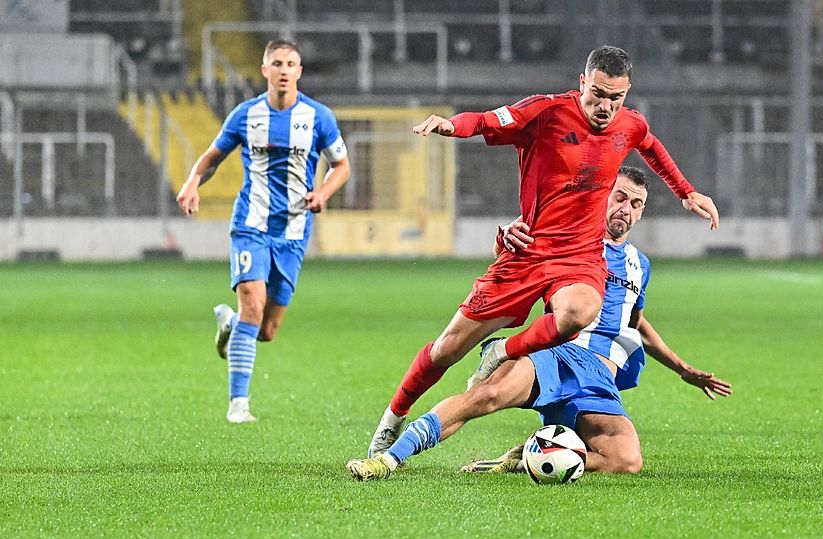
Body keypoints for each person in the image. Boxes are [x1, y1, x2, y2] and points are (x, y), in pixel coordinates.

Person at [366, 45, 721, 456]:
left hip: (579, 257)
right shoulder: (545, 112)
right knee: (446, 348)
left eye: (615, 98)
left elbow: (652, 146)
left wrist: (686, 192)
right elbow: (485, 120)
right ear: (583, 82)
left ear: (627, 94)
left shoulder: (630, 125)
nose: (605, 106)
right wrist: (452, 126)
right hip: (528, 251)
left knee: (580, 311)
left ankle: (504, 350)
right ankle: (393, 418)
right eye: (598, 94)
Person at [347, 166, 731, 480]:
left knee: (626, 460)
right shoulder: (569, 237)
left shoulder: (639, 264)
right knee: (486, 397)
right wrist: (505, 239)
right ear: (603, 196)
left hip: (598, 378)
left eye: (636, 204)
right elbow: (517, 256)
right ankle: (389, 459)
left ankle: (532, 455)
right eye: (619, 197)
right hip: (556, 353)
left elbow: (636, 323)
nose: (626, 209)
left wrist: (683, 369)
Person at [175, 39, 351, 423]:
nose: (284, 69)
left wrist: (323, 192)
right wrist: (192, 183)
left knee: (266, 329)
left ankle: (231, 326)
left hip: (293, 231)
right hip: (250, 226)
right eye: (277, 63)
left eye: (291, 63)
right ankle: (239, 405)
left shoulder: (318, 117)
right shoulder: (245, 115)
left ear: (299, 71)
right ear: (265, 70)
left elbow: (341, 165)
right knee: (252, 306)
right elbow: (212, 158)